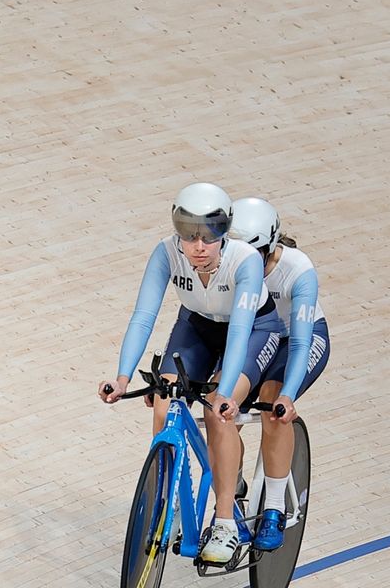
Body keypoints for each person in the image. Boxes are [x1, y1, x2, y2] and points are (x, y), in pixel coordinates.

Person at [98, 182, 287, 565]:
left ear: (225, 231)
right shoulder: (166, 253)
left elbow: (238, 332)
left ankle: (224, 524)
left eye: (210, 234)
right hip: (198, 325)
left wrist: (225, 391)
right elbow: (144, 316)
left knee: (219, 412)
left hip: (252, 331)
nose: (198, 246)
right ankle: (164, 500)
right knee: (163, 397)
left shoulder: (245, 260)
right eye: (189, 234)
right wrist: (122, 377)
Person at [226, 197, 330, 551]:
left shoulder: (298, 269)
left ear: (270, 247)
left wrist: (287, 395)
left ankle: (272, 508)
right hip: (258, 337)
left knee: (272, 406)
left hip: (298, 340)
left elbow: (300, 343)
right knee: (221, 412)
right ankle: (232, 492)